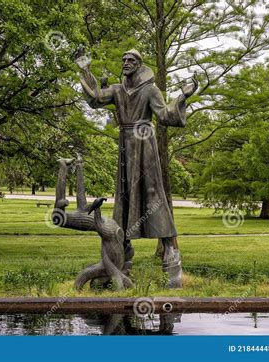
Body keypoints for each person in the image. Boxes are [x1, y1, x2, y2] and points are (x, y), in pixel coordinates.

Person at [76, 49, 198, 287]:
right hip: (125, 147)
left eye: (131, 60)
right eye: (123, 60)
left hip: (145, 146)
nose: (126, 63)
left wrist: (183, 97)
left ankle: (171, 258)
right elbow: (95, 98)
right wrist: (85, 69)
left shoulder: (150, 89)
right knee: (124, 200)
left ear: (140, 64)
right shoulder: (118, 89)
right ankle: (120, 263)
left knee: (153, 195)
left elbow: (164, 115)